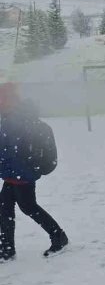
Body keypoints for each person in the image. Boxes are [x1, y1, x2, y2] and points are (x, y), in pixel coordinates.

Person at [0, 84, 68, 261]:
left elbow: (10, 150)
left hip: (21, 174)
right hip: (11, 174)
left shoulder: (15, 120)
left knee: (28, 207)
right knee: (4, 210)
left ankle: (59, 237)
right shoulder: (7, 118)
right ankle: (6, 249)